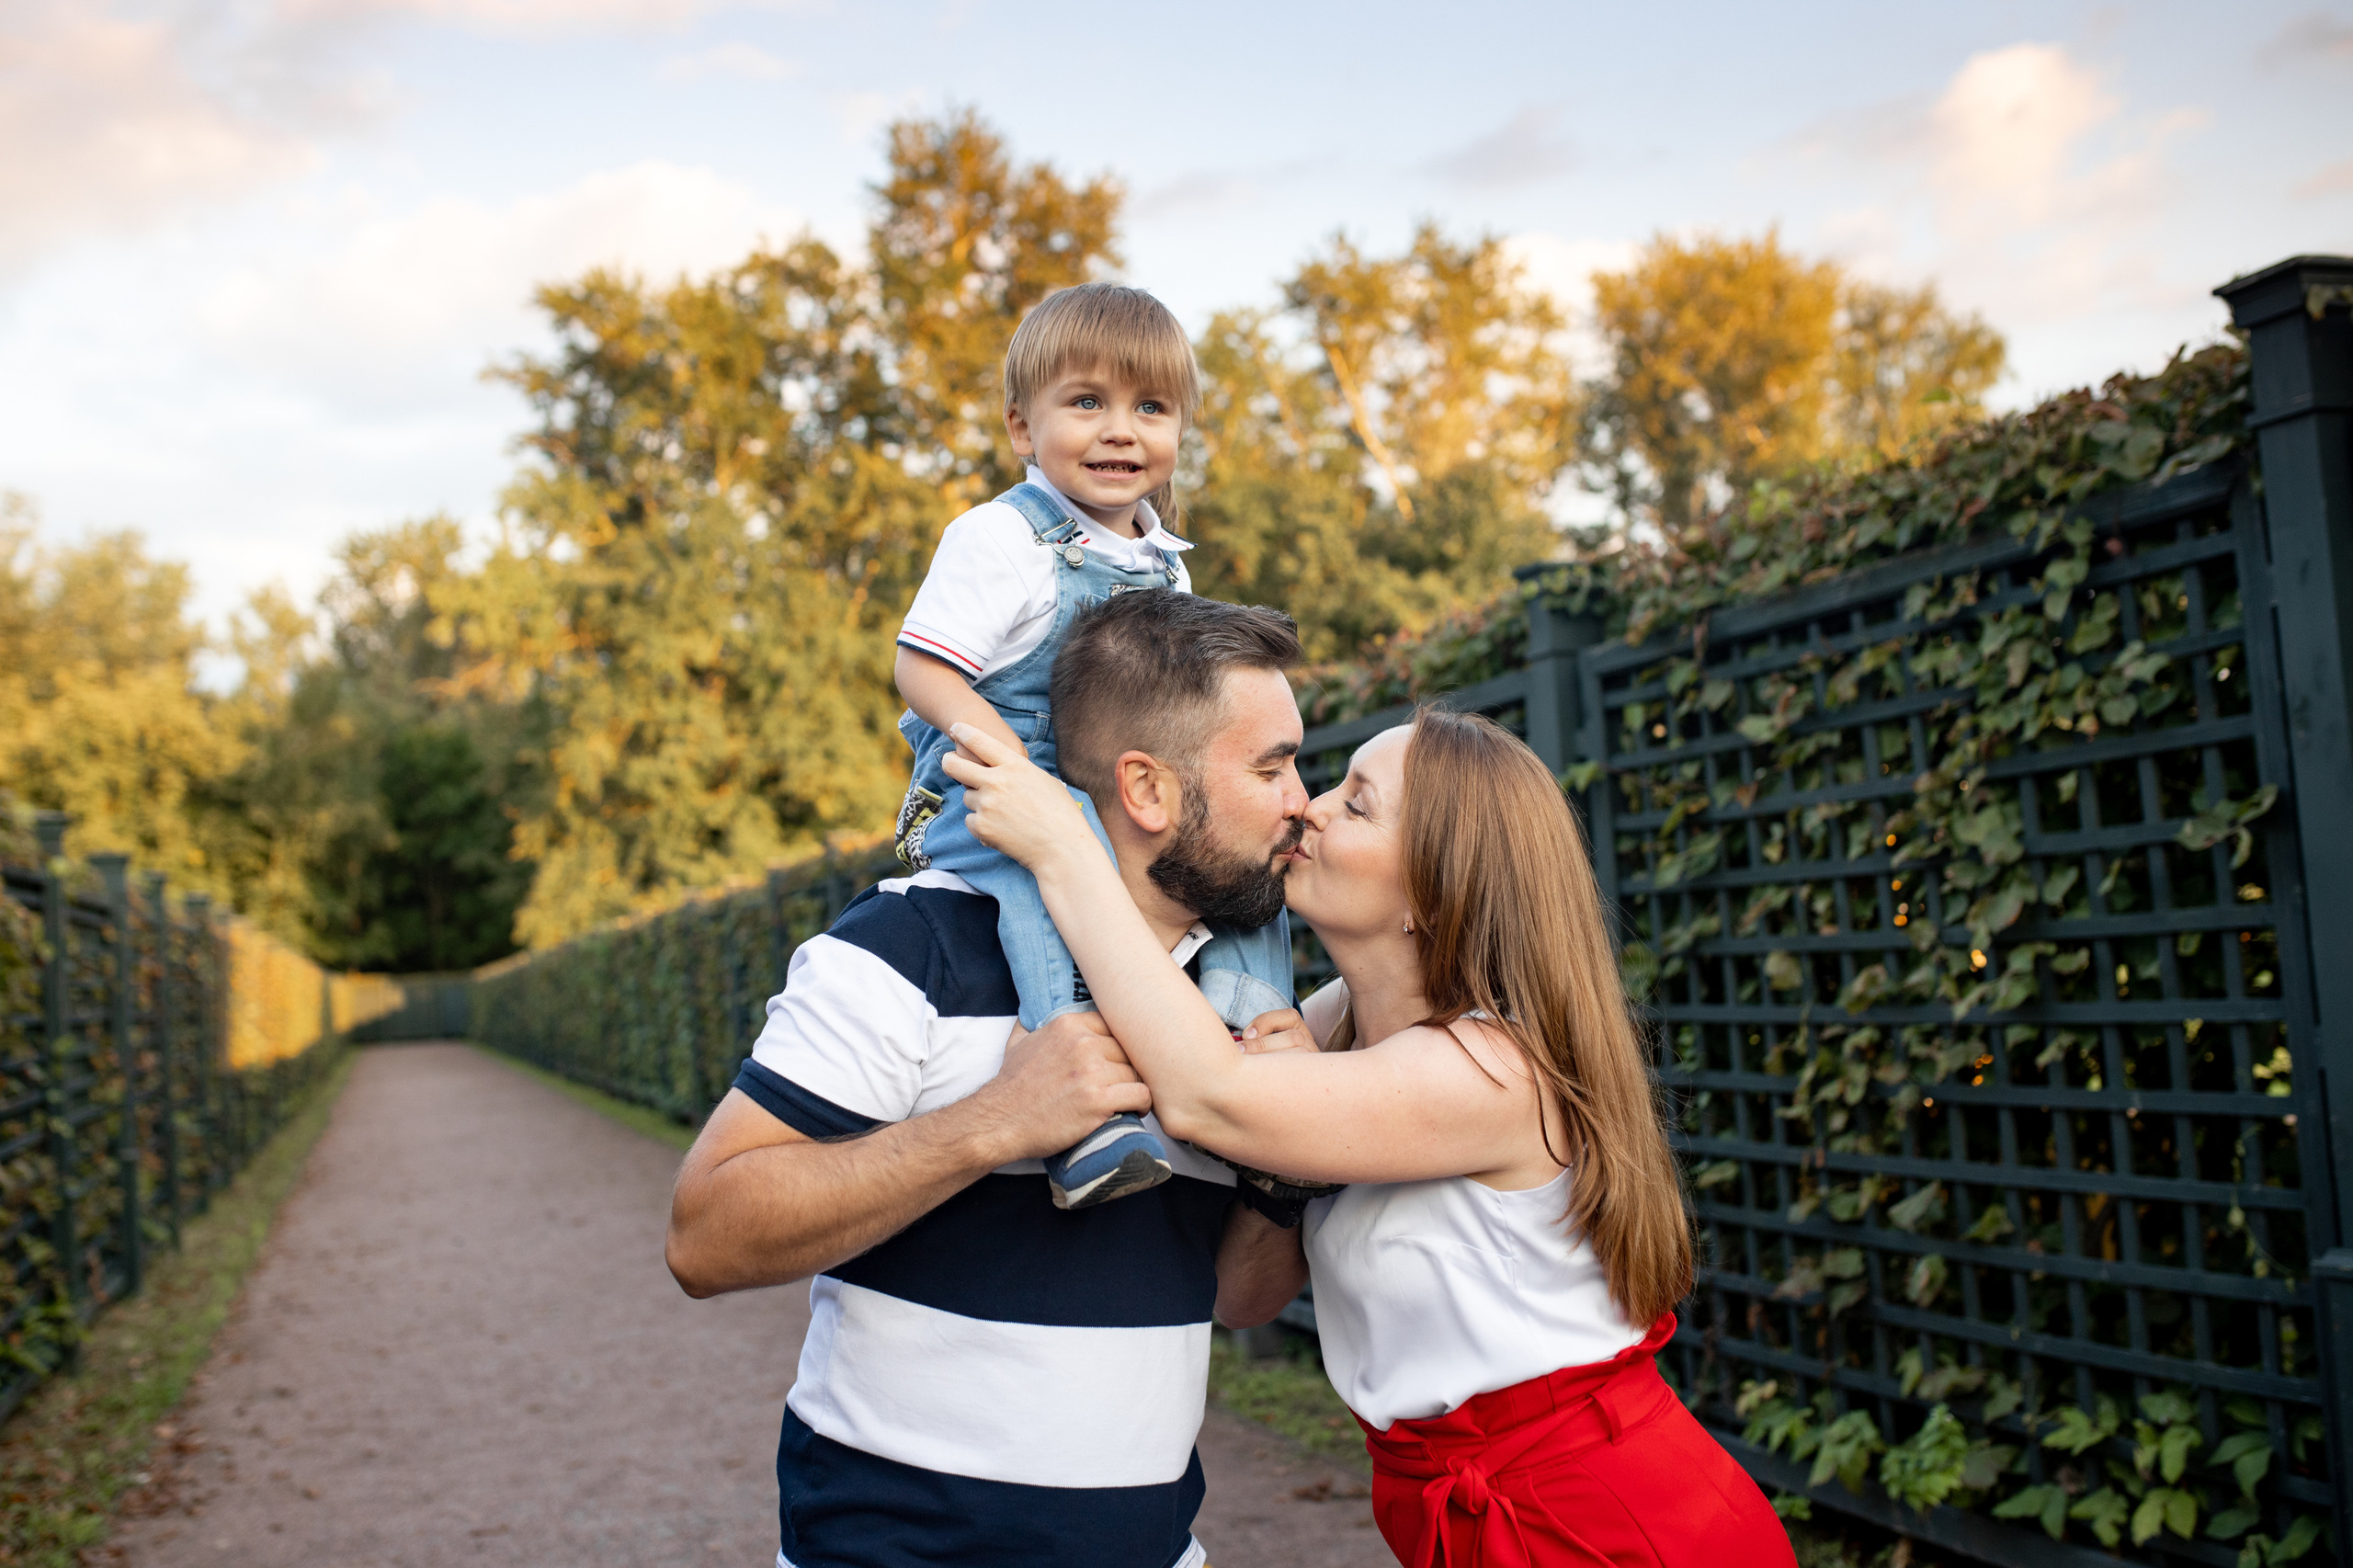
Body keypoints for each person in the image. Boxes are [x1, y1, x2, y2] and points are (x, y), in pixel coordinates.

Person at [945, 688, 1799, 1567]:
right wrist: (1281, 1171)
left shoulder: (1497, 1070)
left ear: (1431, 891)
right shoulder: (1334, 1026)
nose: (1306, 807)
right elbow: (1242, 1301)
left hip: (1609, 1523)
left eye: (1354, 803)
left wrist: (1062, 851)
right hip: (1447, 1509)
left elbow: (1205, 1096)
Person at [663, 595, 1323, 1568]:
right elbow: (704, 1235)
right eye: (1271, 765)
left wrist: (1282, 1168)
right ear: (1146, 789)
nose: (1302, 797)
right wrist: (994, 1122)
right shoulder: (912, 944)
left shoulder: (1231, 1003)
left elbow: (1236, 1297)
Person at [891, 281, 1295, 1211]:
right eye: (1087, 402)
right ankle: (1078, 1095)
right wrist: (1014, 775)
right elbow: (923, 672)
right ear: (1021, 429)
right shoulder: (1000, 537)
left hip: (1118, 782)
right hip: (992, 783)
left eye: (1149, 407)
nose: (1121, 430)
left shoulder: (1165, 561)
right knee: (1054, 848)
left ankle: (1250, 1039)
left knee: (1243, 850)